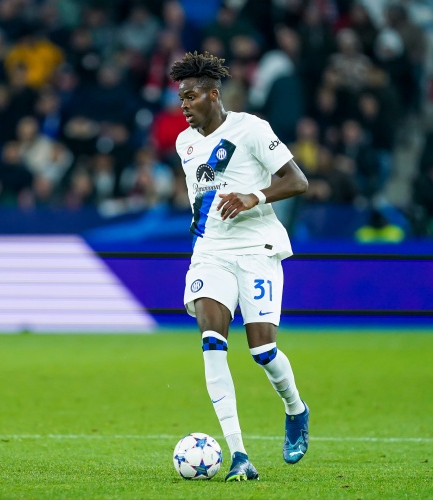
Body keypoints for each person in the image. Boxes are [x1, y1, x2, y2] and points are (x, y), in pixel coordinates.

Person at [169, 51, 310, 482]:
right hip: (210, 253)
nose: (184, 105)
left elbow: (298, 180)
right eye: (181, 98)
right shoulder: (184, 143)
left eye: (191, 96)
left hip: (257, 249)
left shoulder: (251, 129)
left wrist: (254, 196)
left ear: (214, 95)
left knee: (262, 351)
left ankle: (295, 409)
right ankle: (239, 455)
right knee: (212, 343)